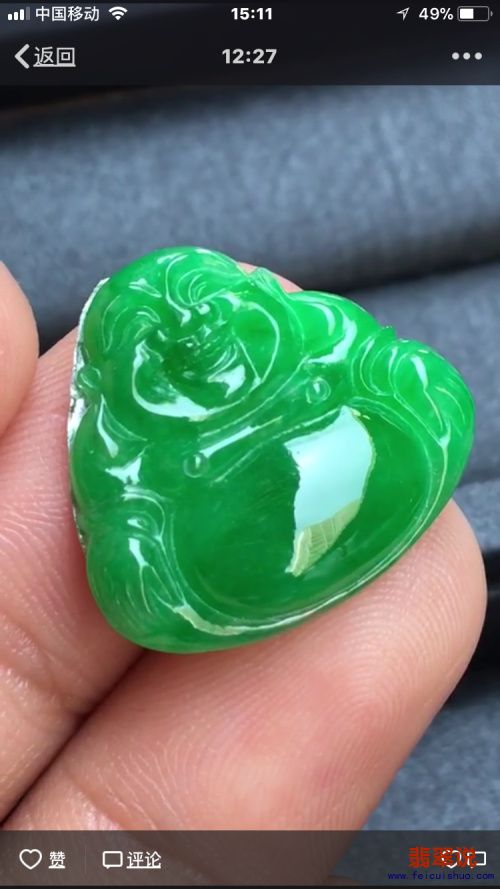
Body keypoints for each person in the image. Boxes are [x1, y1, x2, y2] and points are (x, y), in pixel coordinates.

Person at [0, 260, 486, 832]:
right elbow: (123, 521)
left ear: (261, 298)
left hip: (375, 459)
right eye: (146, 332)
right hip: (216, 555)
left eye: (201, 294)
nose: (193, 326)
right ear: (106, 380)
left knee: (429, 387)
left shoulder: (318, 337)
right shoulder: (121, 443)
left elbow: (387, 364)